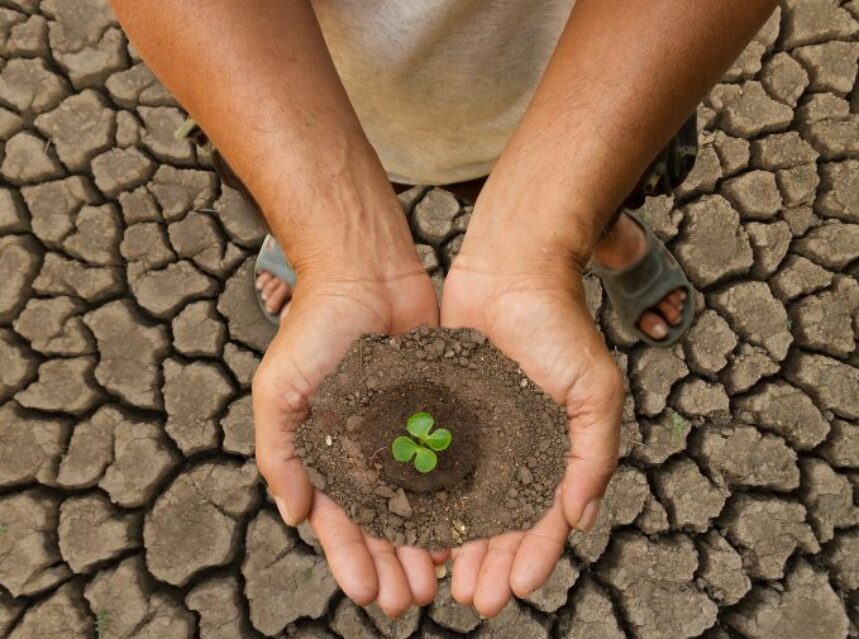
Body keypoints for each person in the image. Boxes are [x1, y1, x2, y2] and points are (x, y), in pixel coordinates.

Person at [111, 0, 778, 619]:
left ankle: (593, 237)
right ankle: (315, 238)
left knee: (600, 198)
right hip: (293, 90)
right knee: (295, 197)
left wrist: (541, 244)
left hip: (596, 87)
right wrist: (333, 242)